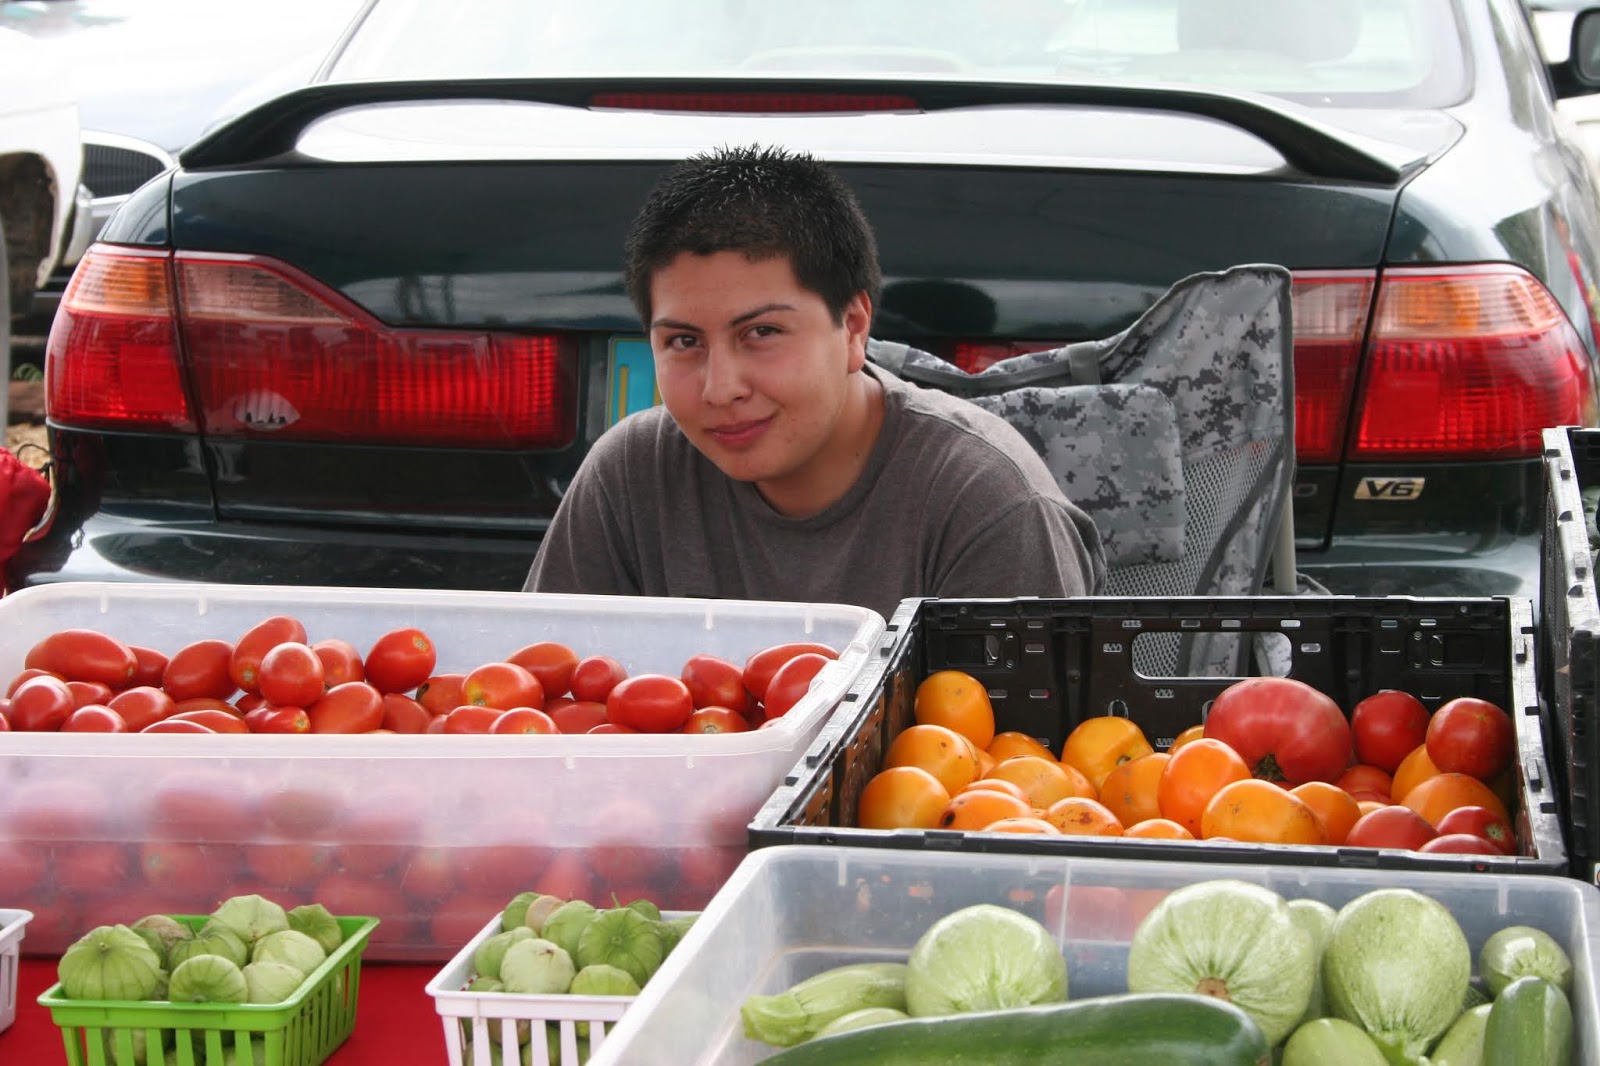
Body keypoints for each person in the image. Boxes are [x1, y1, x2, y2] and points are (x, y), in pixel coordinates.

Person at [523, 144, 1105, 621]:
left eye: (762, 333)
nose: (720, 389)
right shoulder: (629, 476)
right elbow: (536, 693)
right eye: (683, 341)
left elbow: (1016, 734)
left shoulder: (986, 503)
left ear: (852, 327)